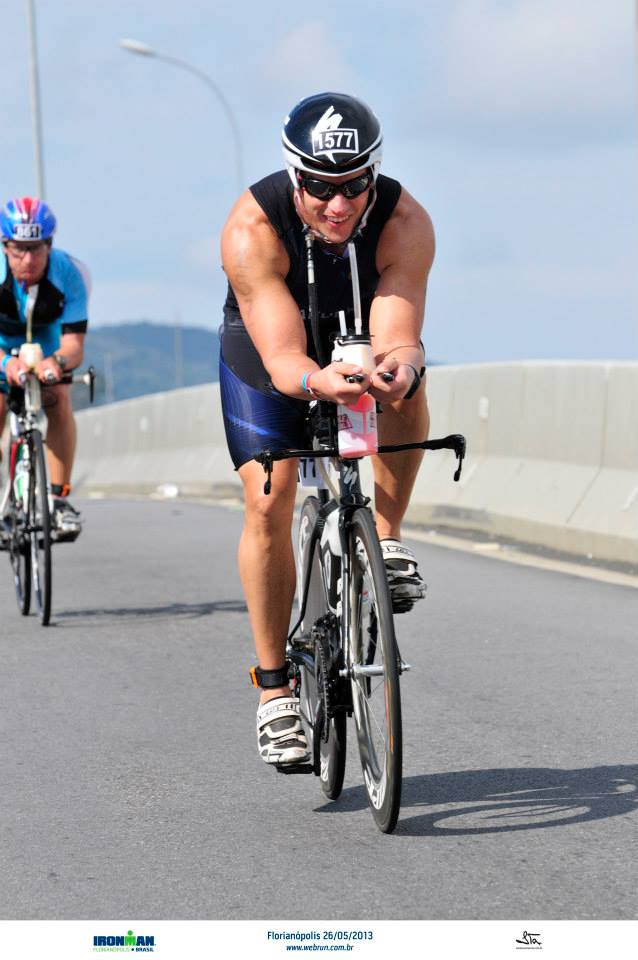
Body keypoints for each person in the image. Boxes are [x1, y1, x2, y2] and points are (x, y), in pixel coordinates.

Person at [220, 92, 433, 766]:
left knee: (405, 385)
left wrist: (399, 369)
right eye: (319, 187)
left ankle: (387, 538)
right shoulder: (252, 227)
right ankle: (275, 691)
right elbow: (285, 359)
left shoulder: (404, 221)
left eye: (353, 186)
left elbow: (399, 337)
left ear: (374, 174)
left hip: (356, 335)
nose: (338, 205)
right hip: (269, 351)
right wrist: (316, 382)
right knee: (270, 498)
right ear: (295, 177)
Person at [0, 197, 90, 540]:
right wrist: (7, 362)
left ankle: (58, 499)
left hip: (47, 342)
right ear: (5, 246)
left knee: (58, 397)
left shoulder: (71, 273)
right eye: (19, 249)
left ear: (49, 245)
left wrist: (58, 362)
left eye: (36, 248)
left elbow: (74, 344)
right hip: (1, 346)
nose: (28, 259)